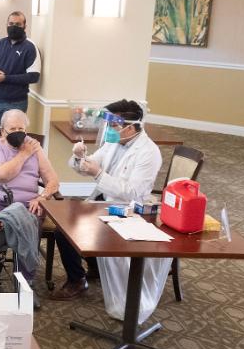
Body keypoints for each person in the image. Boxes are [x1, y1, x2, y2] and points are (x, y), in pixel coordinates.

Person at [49, 99, 169, 314]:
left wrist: (98, 174)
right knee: (65, 225)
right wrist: (79, 157)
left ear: (130, 127)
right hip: (102, 201)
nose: (109, 131)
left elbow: (133, 192)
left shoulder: (148, 153)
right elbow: (90, 164)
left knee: (66, 231)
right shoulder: (116, 141)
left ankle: (78, 280)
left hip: (127, 210)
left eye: (114, 126)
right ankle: (94, 269)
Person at [0, 109, 59, 284]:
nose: (17, 133)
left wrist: (42, 197)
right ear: (2, 130)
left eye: (20, 128)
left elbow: (53, 181)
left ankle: (24, 283)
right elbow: (1, 175)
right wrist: (24, 154)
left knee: (29, 224)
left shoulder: (34, 145)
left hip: (28, 202)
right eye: (12, 129)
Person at [0, 11, 42, 134]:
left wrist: (6, 78)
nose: (14, 27)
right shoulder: (0, 44)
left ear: (24, 27)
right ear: (6, 24)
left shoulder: (30, 47)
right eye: (11, 23)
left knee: (13, 140)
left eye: (18, 24)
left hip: (16, 103)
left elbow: (33, 76)